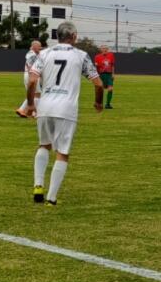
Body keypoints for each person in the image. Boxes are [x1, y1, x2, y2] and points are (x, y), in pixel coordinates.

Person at [26, 22, 104, 206]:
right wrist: (98, 102)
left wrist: (30, 104)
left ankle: (38, 186)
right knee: (62, 152)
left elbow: (31, 81)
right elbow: (98, 84)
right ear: (74, 36)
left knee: (43, 145)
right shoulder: (81, 56)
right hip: (66, 109)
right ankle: (51, 199)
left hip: (45, 106)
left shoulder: (44, 53)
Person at [16, 40, 42, 118]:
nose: (40, 48)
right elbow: (32, 66)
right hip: (31, 74)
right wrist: (35, 75)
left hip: (27, 74)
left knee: (32, 94)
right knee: (37, 95)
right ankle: (36, 113)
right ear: (33, 46)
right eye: (39, 46)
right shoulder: (33, 55)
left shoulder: (31, 54)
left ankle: (23, 110)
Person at [94, 45, 116, 109]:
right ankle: (98, 103)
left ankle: (108, 104)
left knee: (110, 89)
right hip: (101, 75)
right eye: (103, 48)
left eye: (106, 48)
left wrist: (113, 74)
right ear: (101, 49)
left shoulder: (111, 55)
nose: (105, 49)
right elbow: (96, 67)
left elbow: (112, 65)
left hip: (109, 75)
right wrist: (97, 76)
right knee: (100, 90)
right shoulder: (97, 57)